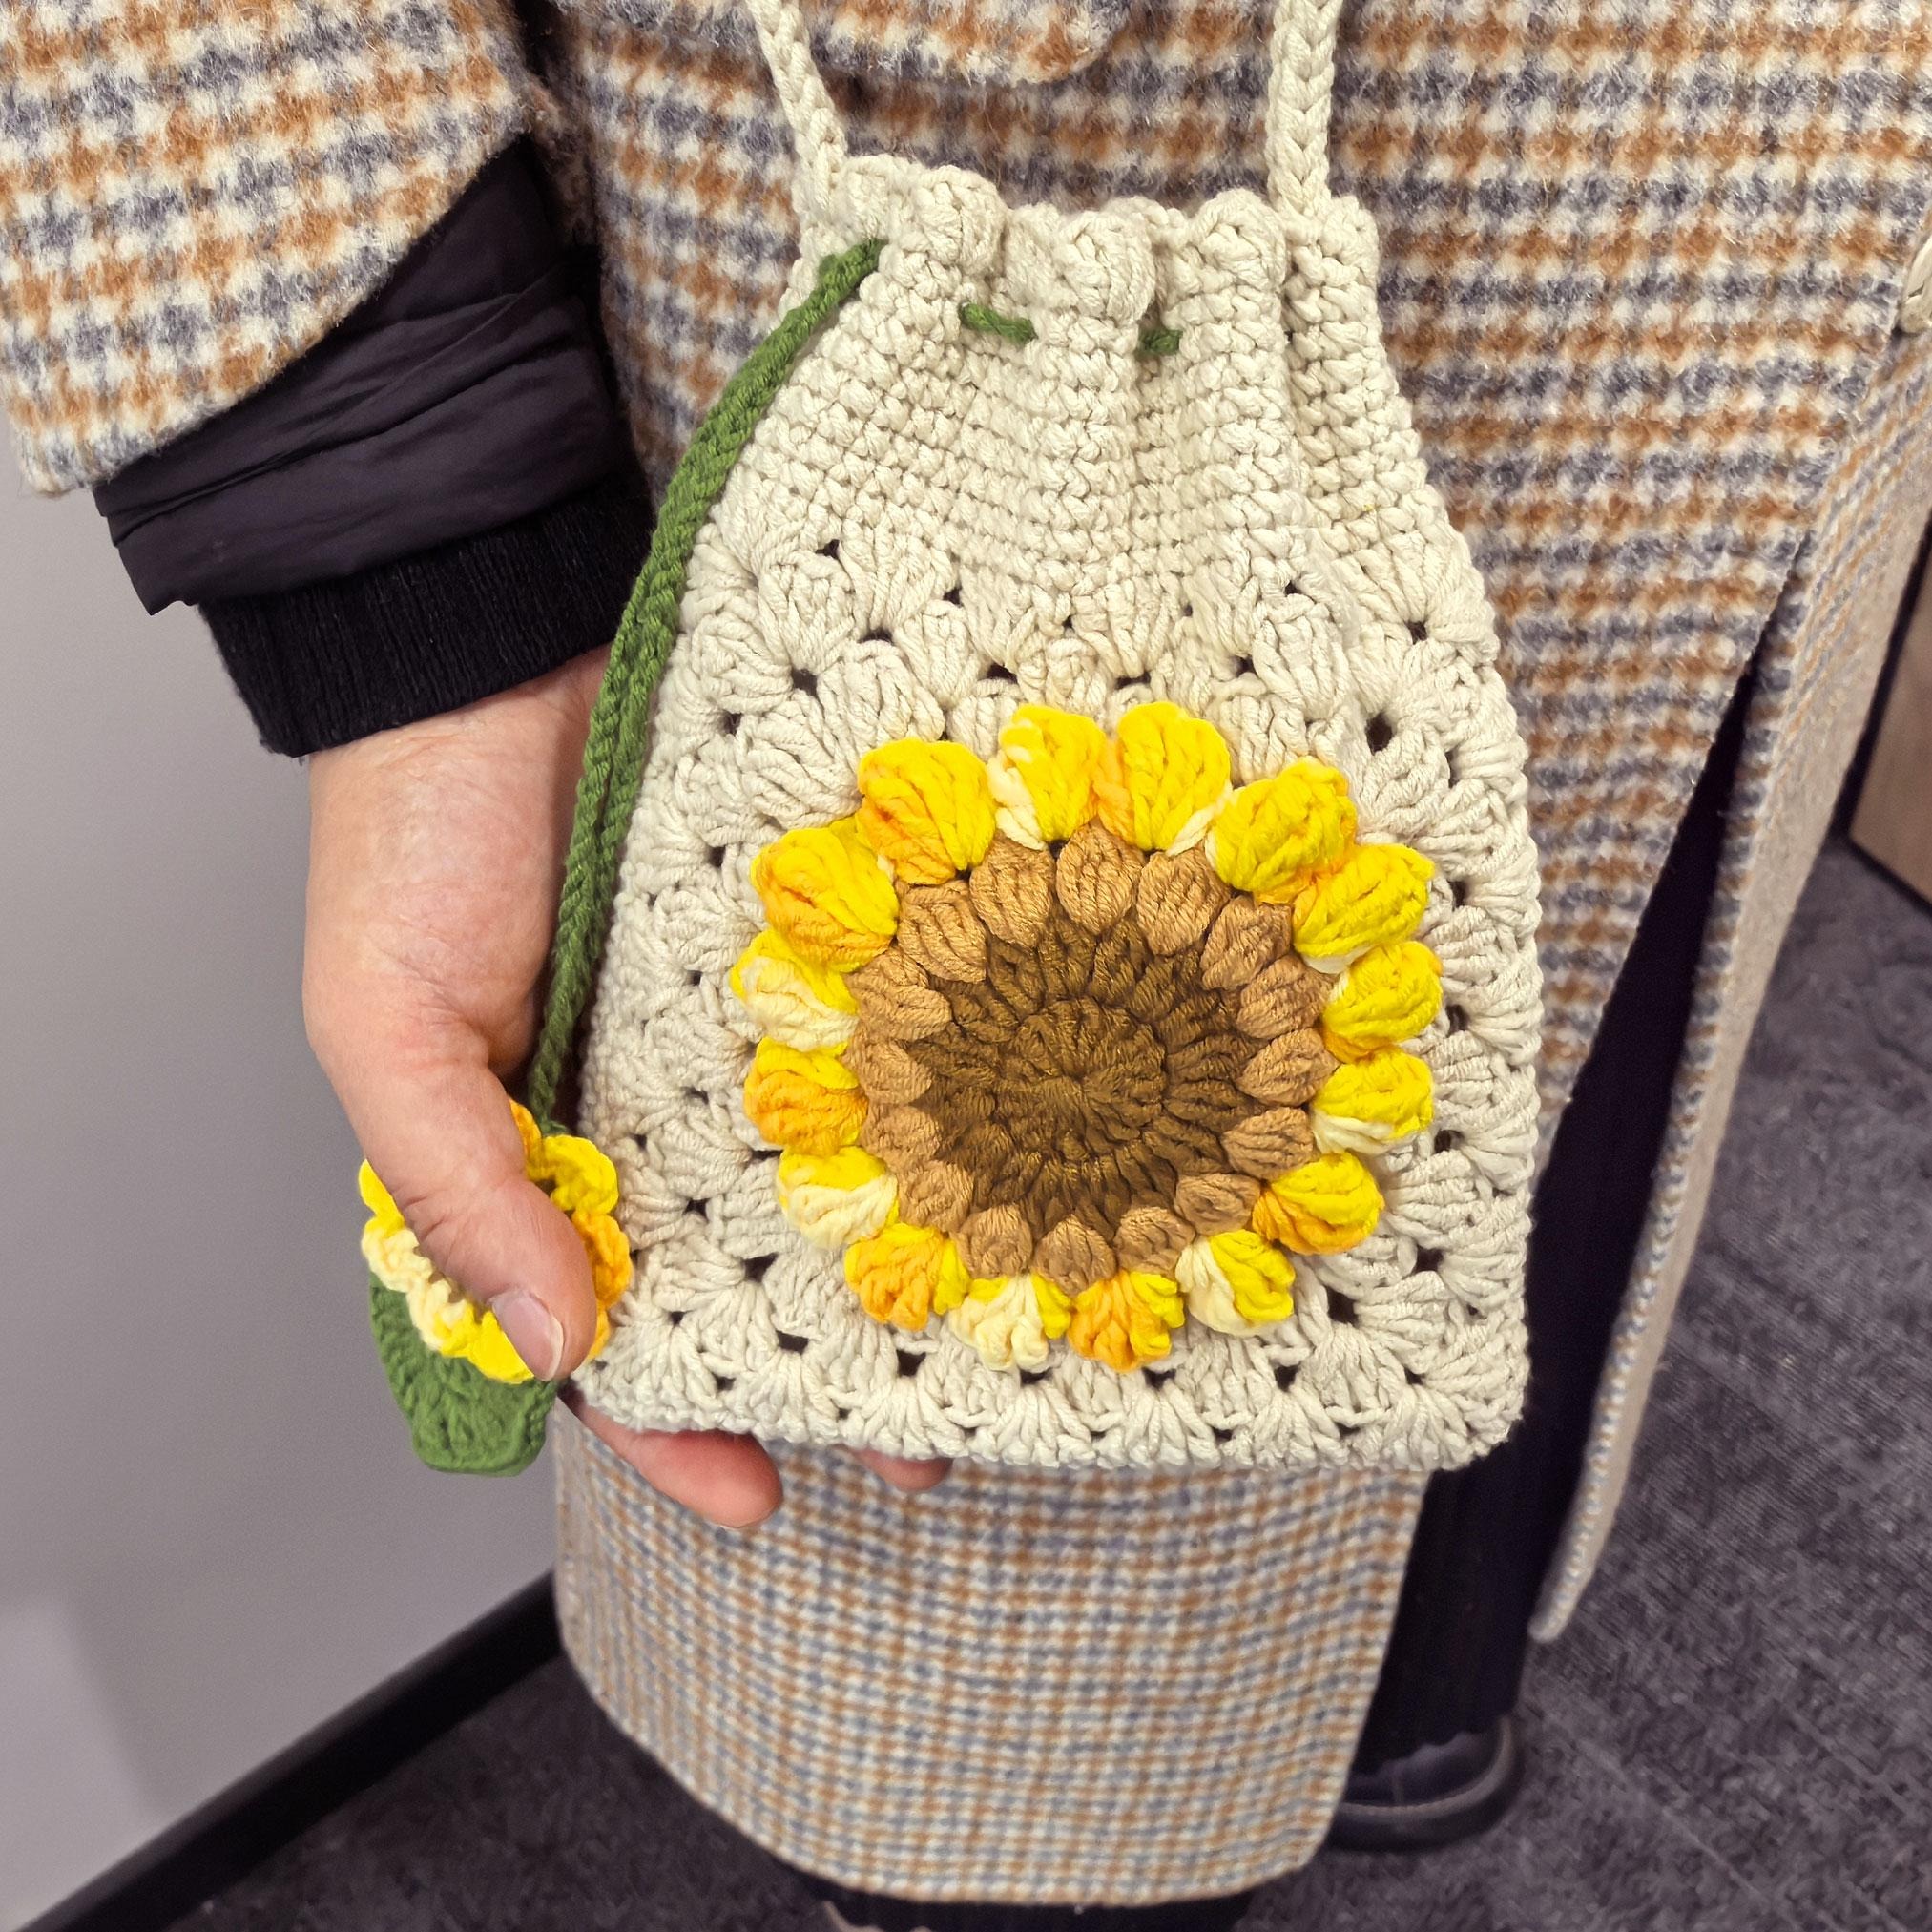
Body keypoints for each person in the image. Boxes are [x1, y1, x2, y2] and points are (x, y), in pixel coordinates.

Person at [13, 2, 1924, 1926]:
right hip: (930, 252)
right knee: (986, 1733)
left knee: (1536, 1188)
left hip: (1792, 329)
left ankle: (1420, 1680)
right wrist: (417, 582)